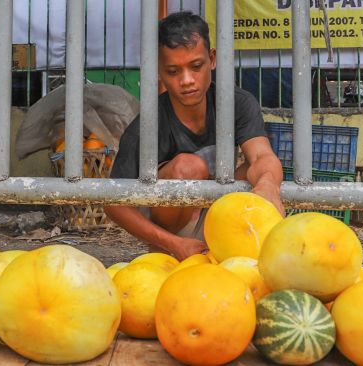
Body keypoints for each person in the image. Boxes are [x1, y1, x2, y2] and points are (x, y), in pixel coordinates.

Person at [104, 11, 283, 261]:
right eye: (174, 71)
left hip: (220, 216)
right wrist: (173, 243)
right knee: (188, 168)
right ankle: (179, 249)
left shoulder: (237, 103)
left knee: (254, 171)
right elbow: (113, 203)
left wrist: (267, 186)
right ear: (159, 71)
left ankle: (235, 245)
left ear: (211, 60)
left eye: (195, 67)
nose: (187, 80)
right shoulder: (147, 125)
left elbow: (262, 155)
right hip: (176, 232)